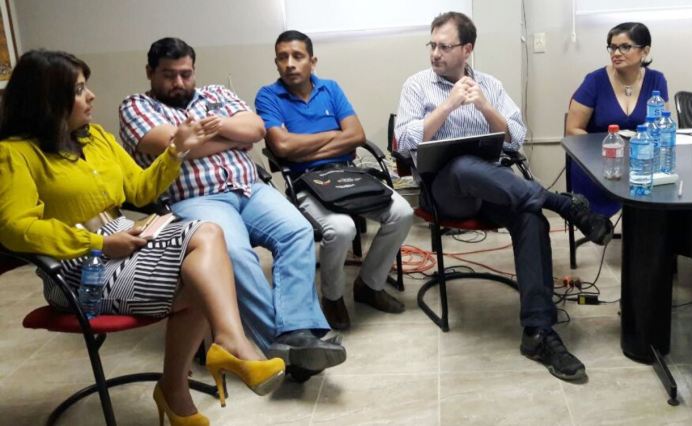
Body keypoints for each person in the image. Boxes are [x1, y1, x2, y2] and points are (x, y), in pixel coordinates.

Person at [0, 50, 286, 425]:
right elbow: (15, 229)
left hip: (121, 238)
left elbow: (139, 188)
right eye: (79, 90)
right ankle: (198, 370)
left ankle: (217, 352)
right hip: (74, 269)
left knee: (209, 250)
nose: (91, 98)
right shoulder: (14, 154)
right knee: (206, 272)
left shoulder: (95, 139)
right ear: (47, 99)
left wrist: (177, 149)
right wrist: (99, 244)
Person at [395, 11, 614, 381]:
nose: (435, 53)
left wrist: (484, 106)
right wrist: (448, 105)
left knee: (530, 218)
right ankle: (563, 203)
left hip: (496, 186)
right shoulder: (417, 85)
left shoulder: (490, 85)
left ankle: (538, 331)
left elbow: (515, 136)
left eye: (444, 46)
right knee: (463, 165)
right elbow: (404, 143)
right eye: (432, 45)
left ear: (467, 49)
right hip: (445, 191)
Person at [119, 37, 345, 374]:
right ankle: (285, 347)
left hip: (250, 188)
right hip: (196, 198)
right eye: (169, 75)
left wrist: (215, 128)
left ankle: (296, 329)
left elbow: (255, 129)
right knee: (234, 253)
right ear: (150, 72)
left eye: (186, 73)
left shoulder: (215, 94)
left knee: (297, 230)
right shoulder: (135, 106)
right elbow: (175, 145)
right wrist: (224, 137)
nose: (179, 83)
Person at [255, 30, 413, 331]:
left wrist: (305, 144)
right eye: (282, 57)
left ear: (312, 61)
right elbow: (282, 148)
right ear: (276, 63)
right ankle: (332, 297)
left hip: (346, 174)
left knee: (402, 212)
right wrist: (332, 135)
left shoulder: (331, 88)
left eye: (297, 56)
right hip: (303, 180)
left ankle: (369, 284)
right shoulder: (268, 96)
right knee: (341, 228)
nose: (290, 63)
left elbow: (356, 136)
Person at [565, 22, 669, 217]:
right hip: (600, 164)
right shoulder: (595, 81)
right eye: (612, 47)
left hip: (643, 162)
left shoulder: (657, 80)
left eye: (625, 47)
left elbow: (662, 128)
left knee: (663, 199)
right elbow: (572, 130)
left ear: (644, 51)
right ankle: (598, 222)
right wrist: (612, 151)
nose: (616, 52)